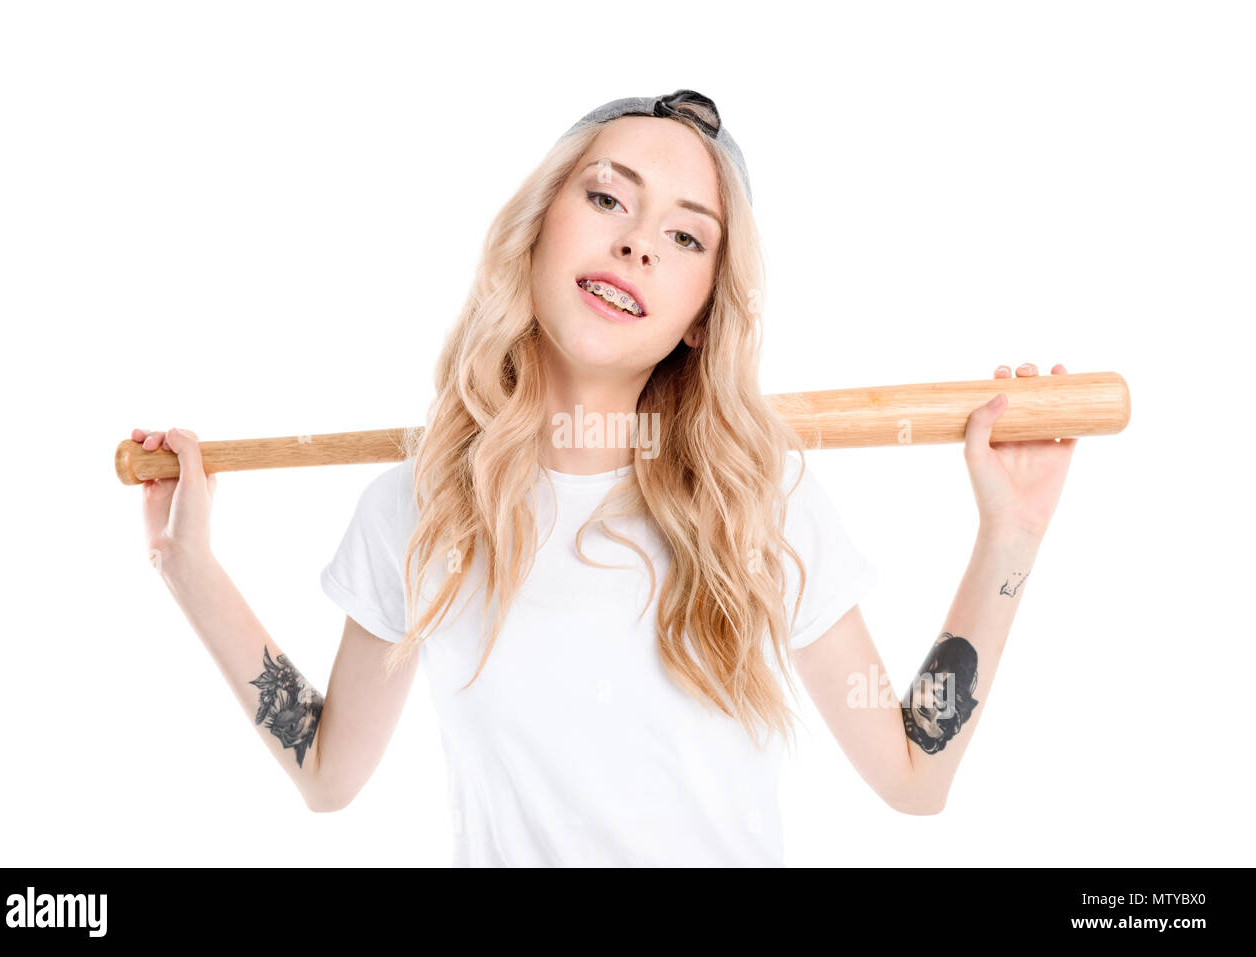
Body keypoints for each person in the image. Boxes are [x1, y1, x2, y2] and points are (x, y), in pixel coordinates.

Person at [133, 89, 1078, 867]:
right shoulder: (420, 508)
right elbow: (328, 773)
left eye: (685, 237)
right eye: (606, 197)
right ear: (540, 224)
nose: (636, 243)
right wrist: (191, 570)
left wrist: (1011, 539)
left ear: (702, 314)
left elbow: (916, 773)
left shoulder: (759, 499)